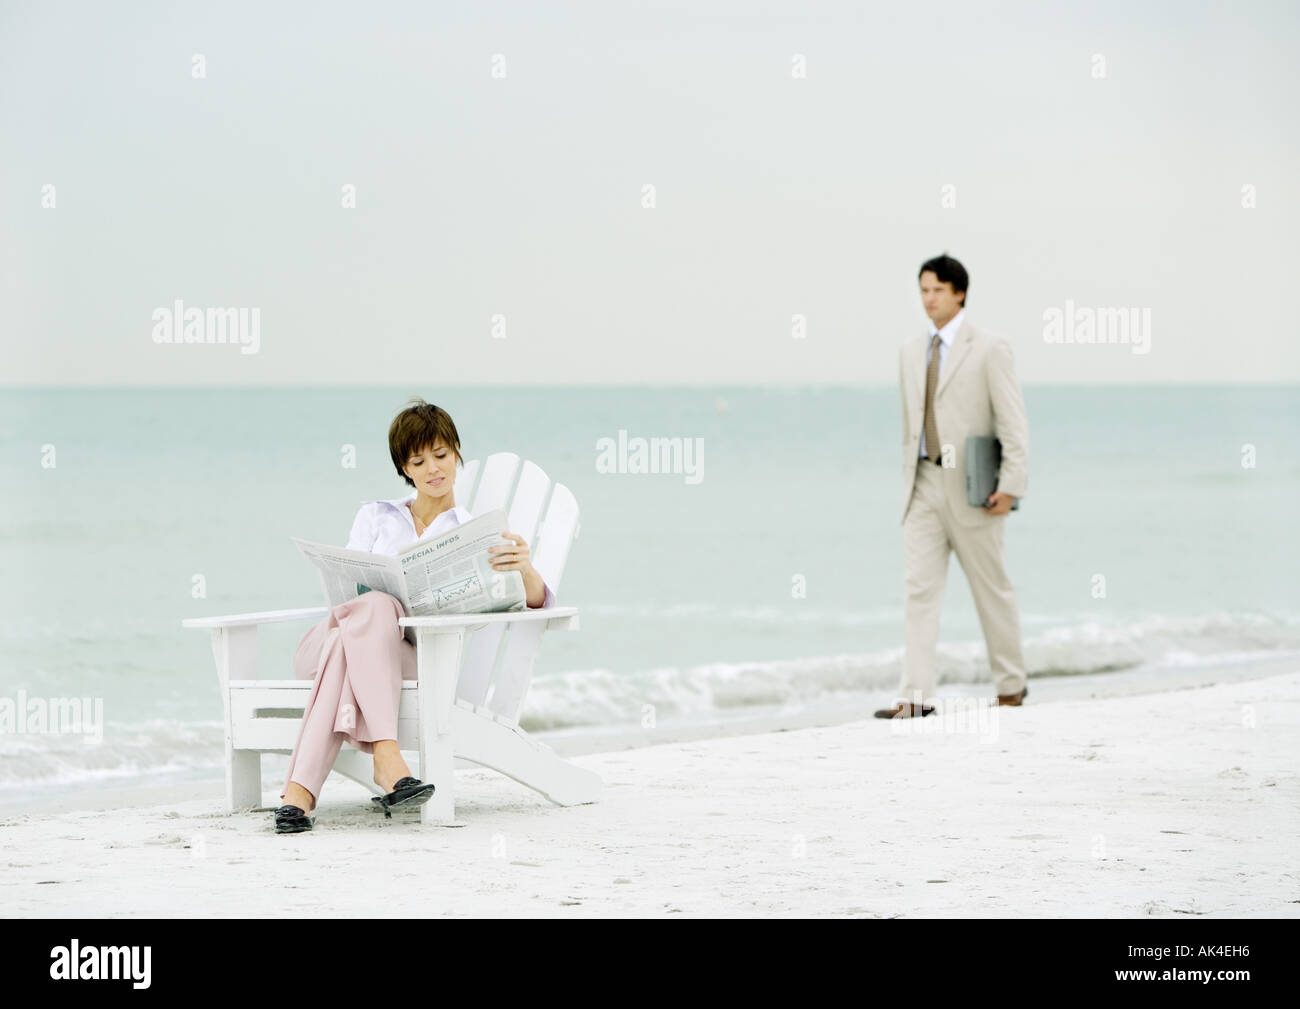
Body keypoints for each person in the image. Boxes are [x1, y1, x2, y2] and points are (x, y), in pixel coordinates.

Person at [274, 397, 556, 832]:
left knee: (358, 636)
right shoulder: (374, 516)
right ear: (404, 469)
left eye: (441, 455)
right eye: (418, 461)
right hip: (334, 641)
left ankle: (299, 794)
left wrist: (525, 567)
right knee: (373, 606)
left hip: (409, 660)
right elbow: (346, 588)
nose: (433, 469)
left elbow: (533, 603)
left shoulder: (472, 533)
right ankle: (387, 758)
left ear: (457, 453)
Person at [875, 255, 1029, 719]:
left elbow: (1013, 422)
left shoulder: (990, 348)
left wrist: (1011, 485)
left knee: (991, 588)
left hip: (974, 487)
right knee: (919, 591)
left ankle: (1011, 684)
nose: (929, 299)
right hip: (921, 484)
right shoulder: (908, 351)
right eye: (923, 290)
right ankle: (916, 697)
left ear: (959, 292)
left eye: (937, 290)